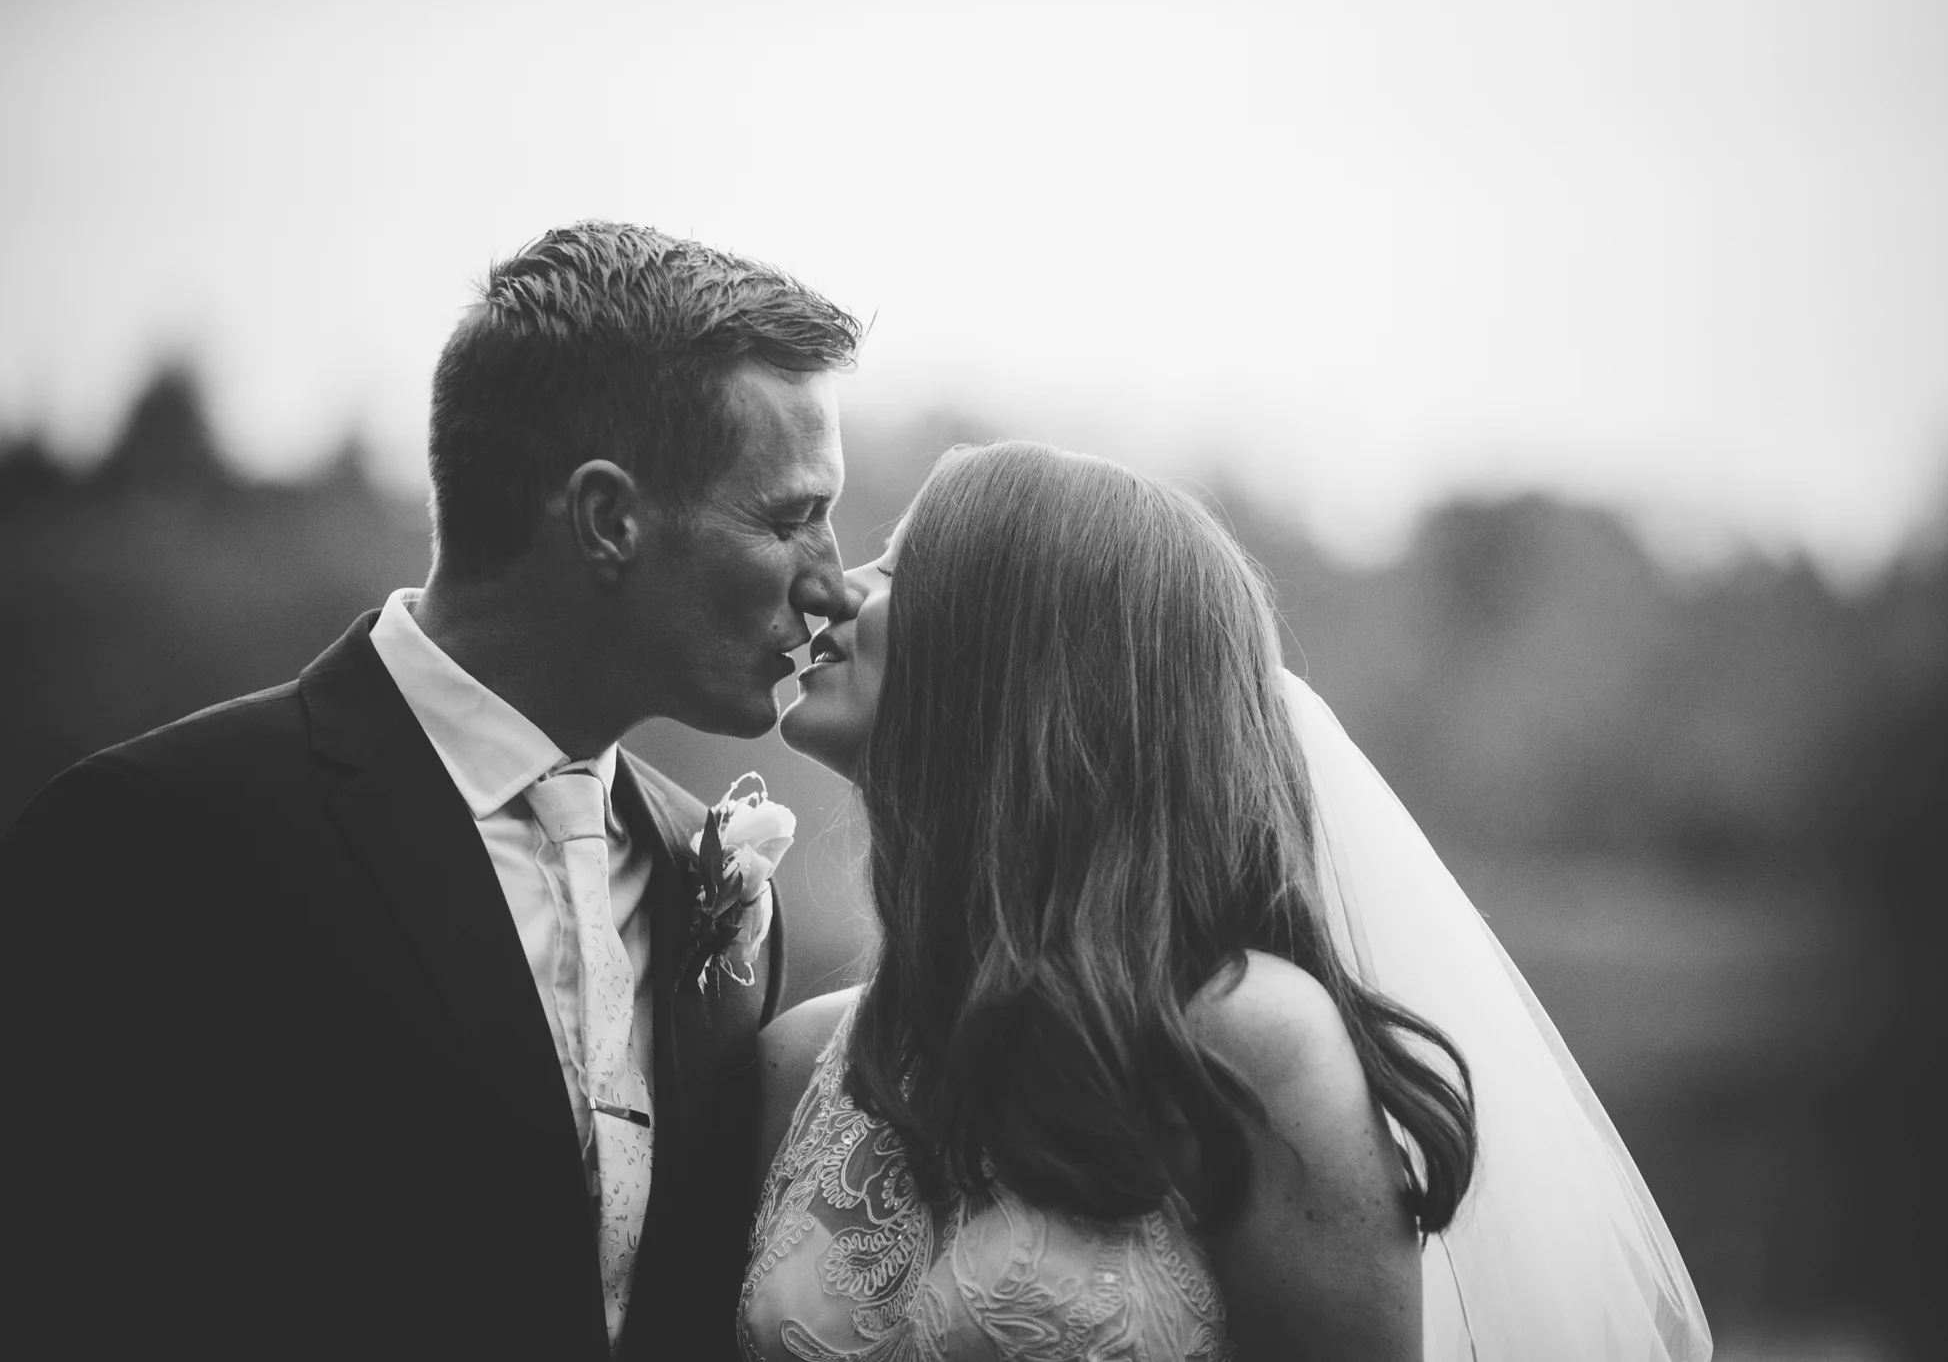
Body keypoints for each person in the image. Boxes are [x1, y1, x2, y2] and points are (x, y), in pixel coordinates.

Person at [1, 222, 861, 1360]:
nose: (833, 585)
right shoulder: (153, 840)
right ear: (610, 520)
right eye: (791, 516)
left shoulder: (707, 871)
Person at [748, 441, 1713, 1361]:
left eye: (898, 565)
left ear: (1013, 655)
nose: (836, 586)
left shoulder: (1250, 1049)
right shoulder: (797, 1063)